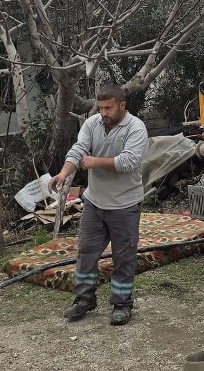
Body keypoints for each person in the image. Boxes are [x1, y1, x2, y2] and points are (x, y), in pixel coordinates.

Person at [48, 84, 148, 326]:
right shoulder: (92, 124)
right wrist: (63, 174)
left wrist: (94, 162)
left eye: (108, 108)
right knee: (86, 252)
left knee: (124, 257)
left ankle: (122, 304)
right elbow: (78, 150)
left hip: (124, 204)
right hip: (94, 202)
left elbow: (129, 162)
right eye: (101, 107)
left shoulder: (135, 127)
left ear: (122, 106)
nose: (103, 112)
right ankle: (84, 299)